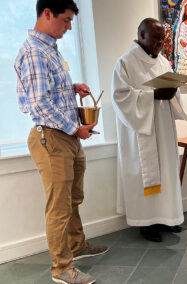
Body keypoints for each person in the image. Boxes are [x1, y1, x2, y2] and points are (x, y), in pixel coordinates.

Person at [14, 0, 108, 283]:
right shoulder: (33, 52)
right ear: (47, 14)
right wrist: (75, 128)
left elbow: (49, 91)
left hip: (66, 136)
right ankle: (62, 269)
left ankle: (77, 246)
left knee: (73, 199)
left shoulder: (49, 49)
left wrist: (71, 87)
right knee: (59, 206)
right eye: (65, 20)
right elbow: (39, 104)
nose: (68, 27)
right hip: (52, 137)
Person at [112, 18, 187, 242]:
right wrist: (153, 95)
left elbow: (172, 90)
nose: (160, 43)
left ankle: (167, 218)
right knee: (146, 173)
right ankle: (146, 224)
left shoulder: (164, 62)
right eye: (156, 37)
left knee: (166, 170)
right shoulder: (125, 63)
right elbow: (120, 97)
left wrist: (173, 92)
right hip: (141, 132)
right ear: (141, 35)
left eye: (163, 38)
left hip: (163, 128)